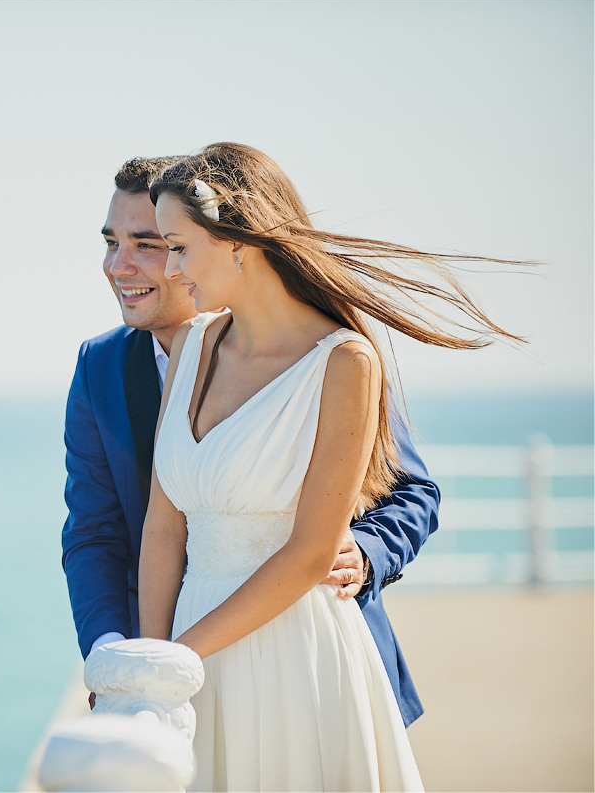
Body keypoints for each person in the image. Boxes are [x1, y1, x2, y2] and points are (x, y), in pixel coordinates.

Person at [138, 142, 523, 790]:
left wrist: (179, 655)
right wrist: (152, 673)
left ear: (240, 239)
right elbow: (163, 525)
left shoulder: (345, 363)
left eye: (178, 245)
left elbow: (311, 553)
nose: (172, 270)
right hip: (188, 655)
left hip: (295, 652)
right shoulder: (192, 346)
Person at [62, 156, 440, 728]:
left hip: (303, 652)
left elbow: (409, 489)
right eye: (111, 242)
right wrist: (121, 659)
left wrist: (362, 553)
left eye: (151, 243)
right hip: (171, 665)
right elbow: (95, 530)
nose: (119, 265)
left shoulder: (324, 358)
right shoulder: (102, 365)